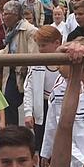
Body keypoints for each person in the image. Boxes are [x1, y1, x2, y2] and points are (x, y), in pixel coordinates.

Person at [0, 0, 38, 126]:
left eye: (6, 14)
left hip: (25, 73)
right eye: (3, 13)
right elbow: (8, 50)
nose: (3, 16)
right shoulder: (11, 30)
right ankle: (13, 133)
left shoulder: (30, 31)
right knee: (8, 103)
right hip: (12, 72)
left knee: (34, 107)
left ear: (16, 15)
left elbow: (33, 55)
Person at [23, 26, 62, 156]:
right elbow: (29, 88)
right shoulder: (37, 63)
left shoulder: (66, 63)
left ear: (57, 43)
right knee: (43, 149)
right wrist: (28, 112)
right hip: (42, 110)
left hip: (60, 108)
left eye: (44, 45)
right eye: (39, 46)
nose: (40, 49)